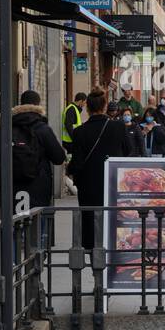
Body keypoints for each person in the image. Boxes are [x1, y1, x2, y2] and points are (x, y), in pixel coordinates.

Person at [0, 90, 67, 231]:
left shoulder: (5, 128)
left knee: (12, 228)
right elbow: (59, 158)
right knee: (37, 229)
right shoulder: (42, 129)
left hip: (11, 189)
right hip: (39, 189)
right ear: (38, 105)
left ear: (20, 104)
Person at [68, 87, 129, 248]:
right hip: (114, 183)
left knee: (89, 221)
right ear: (104, 106)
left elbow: (77, 162)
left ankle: (92, 253)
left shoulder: (79, 132)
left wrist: (73, 174)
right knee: (113, 218)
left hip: (88, 186)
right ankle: (114, 249)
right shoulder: (118, 127)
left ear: (87, 108)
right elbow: (128, 151)